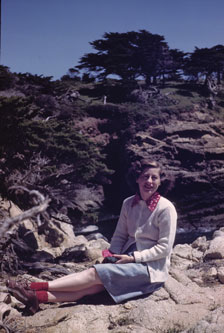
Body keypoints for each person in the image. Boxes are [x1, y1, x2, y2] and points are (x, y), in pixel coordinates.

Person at [7, 159, 177, 314]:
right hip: (126, 258)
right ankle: (37, 298)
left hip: (150, 269)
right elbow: (119, 236)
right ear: (137, 179)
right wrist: (111, 256)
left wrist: (133, 258)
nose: (149, 181)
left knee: (92, 275)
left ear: (161, 181)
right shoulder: (128, 203)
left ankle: (31, 287)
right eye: (145, 176)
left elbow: (164, 248)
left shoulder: (165, 208)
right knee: (93, 288)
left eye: (154, 178)